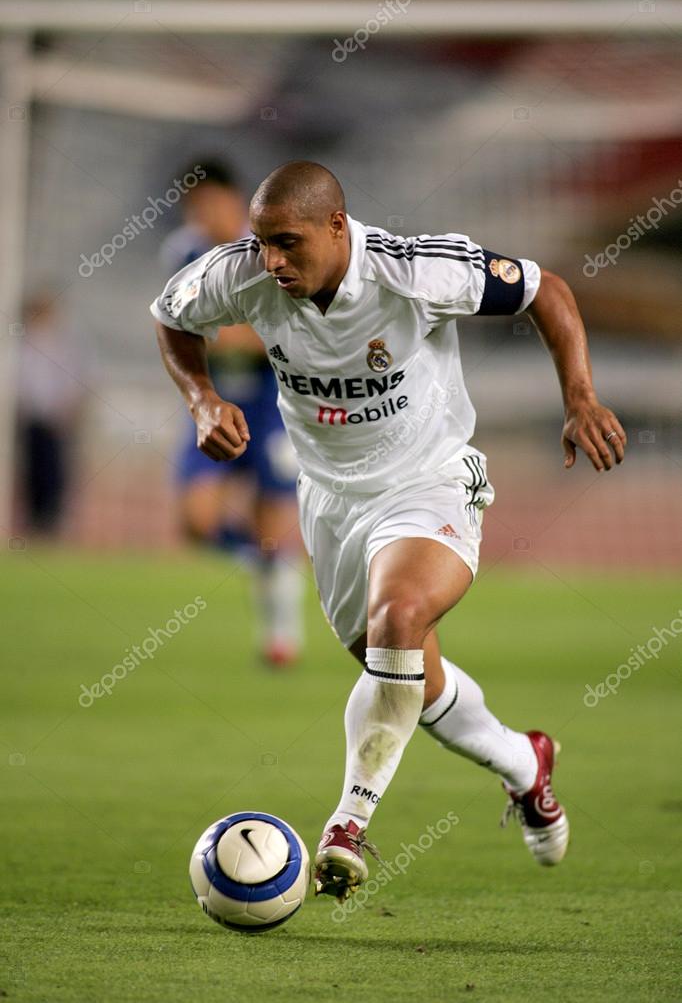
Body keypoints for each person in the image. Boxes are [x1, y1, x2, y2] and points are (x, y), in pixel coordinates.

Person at [150, 161, 626, 902]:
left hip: (430, 478)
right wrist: (201, 397)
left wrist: (581, 396)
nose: (271, 261)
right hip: (332, 499)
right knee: (393, 664)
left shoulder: (415, 271)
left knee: (398, 619)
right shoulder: (238, 273)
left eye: (288, 243)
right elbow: (172, 316)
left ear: (338, 228)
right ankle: (525, 762)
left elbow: (546, 290)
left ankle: (347, 821)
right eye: (262, 243)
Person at [161, 160, 304, 667]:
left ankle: (281, 633)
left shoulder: (269, 250)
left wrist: (224, 336)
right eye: (193, 206)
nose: (203, 214)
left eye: (211, 203)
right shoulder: (184, 252)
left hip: (270, 404)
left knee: (272, 520)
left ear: (235, 200)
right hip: (213, 400)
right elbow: (174, 321)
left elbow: (286, 336)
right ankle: (267, 565)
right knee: (195, 520)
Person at [15, 291, 86, 537]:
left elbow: (74, 383)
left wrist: (69, 412)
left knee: (54, 477)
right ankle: (32, 526)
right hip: (27, 423)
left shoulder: (64, 345)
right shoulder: (20, 345)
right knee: (29, 476)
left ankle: (51, 527)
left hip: (55, 423)